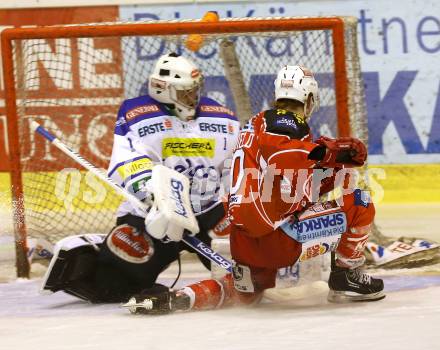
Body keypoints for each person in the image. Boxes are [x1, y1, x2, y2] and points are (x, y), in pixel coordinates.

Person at [126, 64, 386, 314]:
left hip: (246, 242)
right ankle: (346, 276)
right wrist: (330, 152)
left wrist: (333, 159)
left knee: (245, 293)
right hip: (279, 242)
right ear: (308, 98)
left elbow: (290, 174)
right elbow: (284, 155)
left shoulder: (258, 123)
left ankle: (173, 300)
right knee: (360, 200)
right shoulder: (289, 124)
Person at [41, 53, 240, 303]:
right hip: (151, 212)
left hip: (209, 209)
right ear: (163, 89)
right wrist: (160, 198)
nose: (193, 97)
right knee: (111, 288)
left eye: (194, 90)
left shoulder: (223, 117)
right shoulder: (136, 114)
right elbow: (129, 162)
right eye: (185, 92)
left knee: (249, 275)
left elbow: (236, 166)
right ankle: (99, 246)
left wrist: (236, 201)